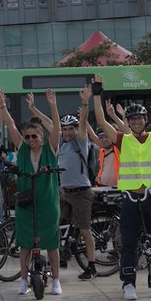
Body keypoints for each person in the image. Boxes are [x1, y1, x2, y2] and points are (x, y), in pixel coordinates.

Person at [92, 72, 151, 301]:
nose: (136, 122)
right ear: (128, 123)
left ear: (145, 119)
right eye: (132, 120)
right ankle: (128, 283)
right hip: (131, 199)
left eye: (140, 118)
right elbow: (102, 122)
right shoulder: (123, 139)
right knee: (129, 243)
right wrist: (96, 94)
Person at [0, 89, 63, 296]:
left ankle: (56, 281)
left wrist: (52, 105)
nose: (30, 139)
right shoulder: (23, 149)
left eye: (34, 136)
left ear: (41, 136)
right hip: (26, 202)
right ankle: (24, 280)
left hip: (48, 203)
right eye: (27, 137)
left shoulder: (50, 149)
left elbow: (58, 130)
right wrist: (2, 106)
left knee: (51, 243)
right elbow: (10, 125)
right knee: (25, 242)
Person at [55, 86, 99, 280]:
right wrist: (36, 108)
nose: (67, 132)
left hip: (82, 192)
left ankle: (91, 266)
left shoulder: (80, 143)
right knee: (52, 222)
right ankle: (59, 256)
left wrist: (84, 102)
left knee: (85, 229)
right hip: (65, 192)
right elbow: (51, 124)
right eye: (64, 129)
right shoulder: (61, 145)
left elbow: (82, 124)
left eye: (70, 129)